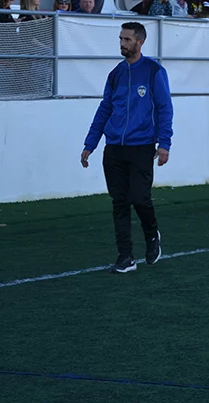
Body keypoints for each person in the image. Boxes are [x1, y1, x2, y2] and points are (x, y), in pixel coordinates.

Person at [81, 23, 171, 273]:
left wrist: (164, 143)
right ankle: (125, 256)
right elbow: (104, 110)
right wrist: (91, 143)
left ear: (139, 42)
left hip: (142, 146)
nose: (122, 43)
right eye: (121, 38)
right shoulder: (115, 74)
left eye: (127, 39)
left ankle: (152, 236)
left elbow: (165, 108)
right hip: (114, 149)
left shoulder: (154, 71)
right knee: (119, 202)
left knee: (140, 199)